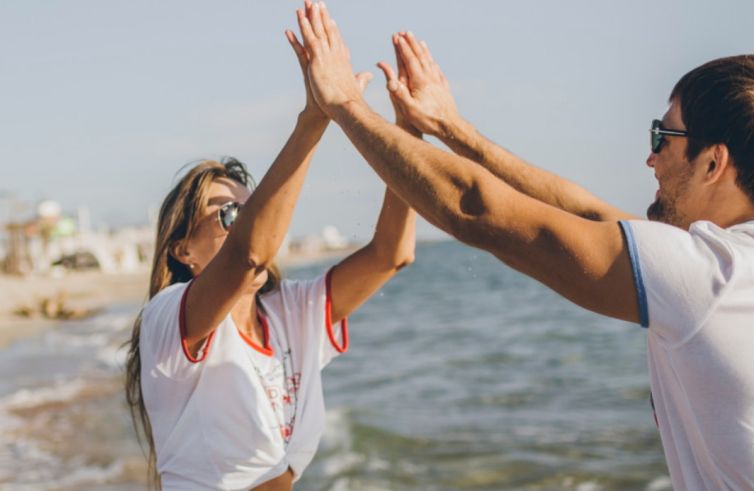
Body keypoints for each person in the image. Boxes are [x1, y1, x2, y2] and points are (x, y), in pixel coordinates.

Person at [290, 3, 754, 489]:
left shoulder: (711, 280)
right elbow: (590, 217)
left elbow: (481, 210)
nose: (650, 157)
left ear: (713, 163)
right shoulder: (725, 268)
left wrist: (345, 106)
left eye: (663, 135)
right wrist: (453, 129)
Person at [123, 12, 417, 490]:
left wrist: (408, 136)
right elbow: (248, 255)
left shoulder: (291, 312)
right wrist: (315, 118)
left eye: (253, 207)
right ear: (182, 250)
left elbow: (392, 253)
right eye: (229, 215)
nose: (247, 224)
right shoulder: (167, 319)